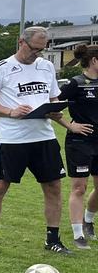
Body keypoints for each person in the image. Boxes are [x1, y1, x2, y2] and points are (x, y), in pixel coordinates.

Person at [0, 26, 71, 254]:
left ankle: (53, 240)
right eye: (35, 48)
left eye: (42, 49)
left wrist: (58, 113)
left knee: (53, 187)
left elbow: (54, 98)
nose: (38, 53)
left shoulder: (47, 67)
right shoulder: (3, 68)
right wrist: (10, 112)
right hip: (12, 140)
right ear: (21, 42)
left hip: (44, 138)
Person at [55, 43, 98, 248]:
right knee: (79, 188)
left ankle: (88, 221)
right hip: (80, 143)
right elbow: (51, 106)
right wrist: (70, 125)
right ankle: (78, 234)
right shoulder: (76, 83)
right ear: (94, 61)